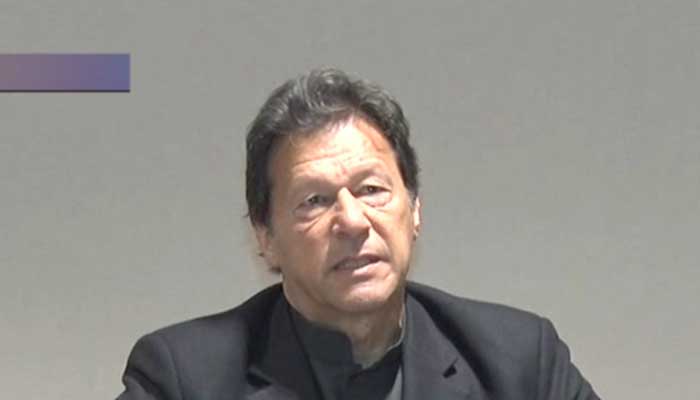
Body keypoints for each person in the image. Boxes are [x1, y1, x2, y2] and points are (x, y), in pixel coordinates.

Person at [117, 68, 600, 400]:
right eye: (315, 200)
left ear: (414, 209)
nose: (352, 221)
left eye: (372, 190)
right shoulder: (183, 379)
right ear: (265, 237)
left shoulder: (518, 361)